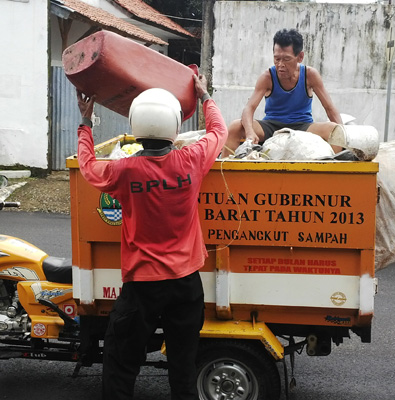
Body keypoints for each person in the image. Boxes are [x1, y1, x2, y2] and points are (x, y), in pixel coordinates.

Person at [76, 74, 228, 400]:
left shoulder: (124, 170)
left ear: (136, 125)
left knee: (120, 366)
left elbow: (87, 166)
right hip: (186, 284)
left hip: (142, 284)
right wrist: (204, 97)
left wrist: (86, 123)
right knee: (184, 369)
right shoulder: (192, 159)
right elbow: (219, 132)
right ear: (174, 125)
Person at [222, 28, 343, 157]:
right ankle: (225, 171)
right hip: (271, 125)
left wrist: (344, 135)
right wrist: (250, 132)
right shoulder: (267, 77)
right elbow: (249, 108)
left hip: (303, 125)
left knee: (334, 130)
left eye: (286, 59)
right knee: (235, 126)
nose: (280, 64)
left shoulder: (310, 75)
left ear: (300, 57)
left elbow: (329, 108)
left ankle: (331, 170)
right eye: (277, 59)